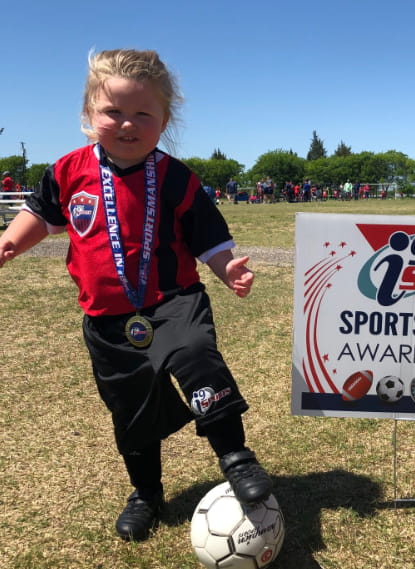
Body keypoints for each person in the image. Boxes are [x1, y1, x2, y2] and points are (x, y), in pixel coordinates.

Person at [0, 49, 272, 542]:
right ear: (89, 116)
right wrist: (11, 241)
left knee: (195, 356)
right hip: (107, 317)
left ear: (164, 120)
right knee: (131, 410)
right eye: (113, 112)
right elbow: (42, 214)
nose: (127, 124)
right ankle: (146, 493)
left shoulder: (176, 178)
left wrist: (226, 267)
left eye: (142, 114)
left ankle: (235, 455)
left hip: (174, 300)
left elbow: (208, 237)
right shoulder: (66, 172)